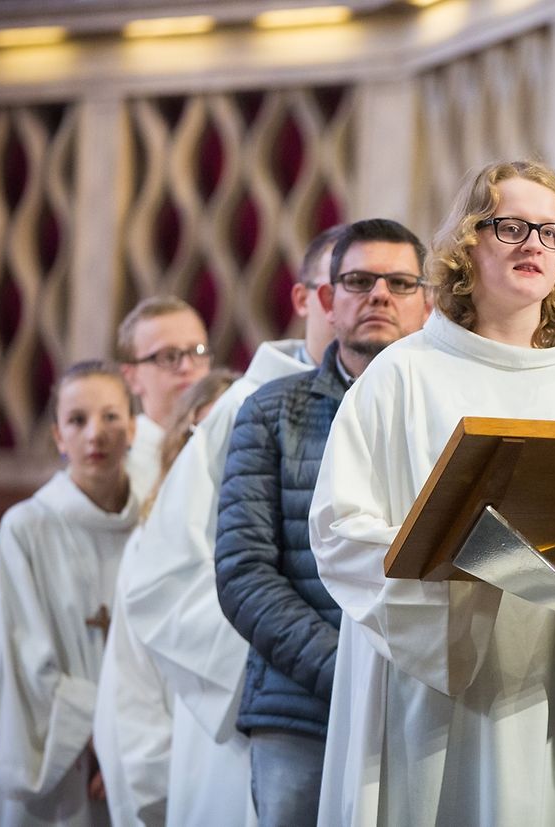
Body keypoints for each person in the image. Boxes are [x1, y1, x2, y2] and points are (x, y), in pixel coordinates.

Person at [308, 160, 555, 827]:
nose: (534, 244)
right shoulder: (402, 375)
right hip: (432, 680)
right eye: (512, 226)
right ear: (468, 241)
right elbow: (338, 527)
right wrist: (455, 576)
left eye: (552, 234)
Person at [117, 225, 348, 825]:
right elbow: (160, 579)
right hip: (269, 713)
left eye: (392, 285)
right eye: (342, 285)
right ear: (308, 300)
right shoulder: (244, 410)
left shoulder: (398, 400)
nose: (359, 303)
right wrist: (289, 660)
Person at [214, 219, 432, 826]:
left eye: (400, 282)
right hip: (302, 709)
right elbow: (243, 574)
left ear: (428, 304)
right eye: (359, 281)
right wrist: (349, 673)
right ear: (327, 302)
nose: (380, 295)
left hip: (420, 703)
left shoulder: (451, 416)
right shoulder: (270, 412)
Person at [0, 361, 139, 826]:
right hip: (58, 759)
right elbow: (19, 661)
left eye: (111, 417)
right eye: (78, 420)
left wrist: (130, 740)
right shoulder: (27, 528)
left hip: (135, 751)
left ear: (132, 426)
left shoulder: (153, 524)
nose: (96, 434)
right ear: (57, 435)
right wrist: (104, 733)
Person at [93, 370, 238, 827]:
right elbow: (132, 686)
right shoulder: (152, 545)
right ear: (182, 442)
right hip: (184, 773)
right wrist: (155, 792)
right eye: (207, 430)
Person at [116, 297, 211, 496]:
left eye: (197, 351)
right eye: (168, 357)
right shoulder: (118, 465)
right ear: (132, 377)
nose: (186, 366)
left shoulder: (228, 441)